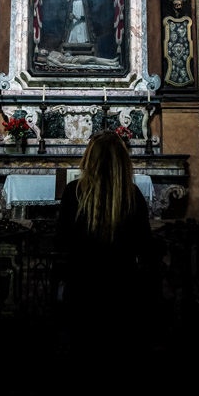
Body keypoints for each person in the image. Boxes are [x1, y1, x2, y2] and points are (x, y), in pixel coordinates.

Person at [55, 130, 156, 361]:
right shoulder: (132, 195)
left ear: (89, 158)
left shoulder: (74, 192)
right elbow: (144, 244)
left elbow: (61, 240)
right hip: (123, 286)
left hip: (83, 285)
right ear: (123, 159)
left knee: (85, 348)